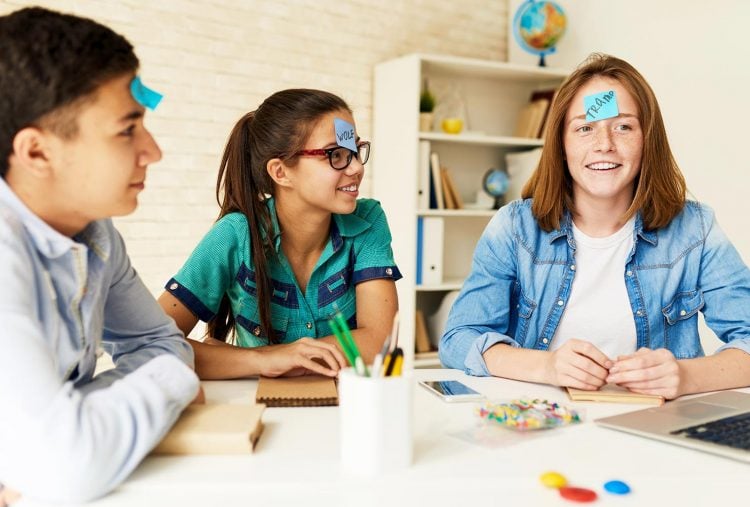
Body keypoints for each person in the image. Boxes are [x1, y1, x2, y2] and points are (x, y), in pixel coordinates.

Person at [440, 53, 750, 400]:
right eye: (585, 128)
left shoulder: (696, 229)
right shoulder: (514, 228)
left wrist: (685, 376)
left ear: (648, 139)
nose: (604, 144)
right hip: (538, 425)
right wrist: (547, 366)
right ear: (561, 143)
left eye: (623, 126)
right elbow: (459, 339)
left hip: (652, 430)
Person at [0, 7, 201, 504]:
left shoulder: (96, 232)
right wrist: (172, 382)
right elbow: (65, 467)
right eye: (127, 129)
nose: (152, 151)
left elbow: (160, 340)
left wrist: (72, 427)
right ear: (37, 152)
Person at [158, 89, 401, 379]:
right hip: (257, 409)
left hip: (346, 410)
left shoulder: (368, 221)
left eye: (356, 151)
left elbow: (379, 344)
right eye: (336, 155)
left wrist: (239, 357)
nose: (357, 167)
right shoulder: (235, 234)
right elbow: (155, 346)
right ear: (281, 172)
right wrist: (263, 361)